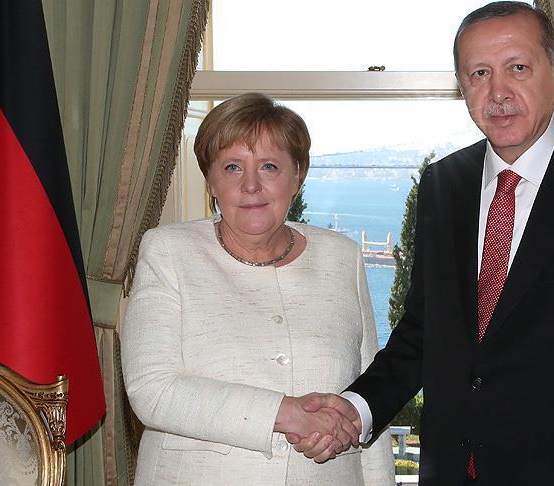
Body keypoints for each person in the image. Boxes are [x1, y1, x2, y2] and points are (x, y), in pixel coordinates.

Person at [290, 2, 554, 484]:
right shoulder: (442, 185)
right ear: (463, 86)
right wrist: (356, 409)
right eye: (479, 74)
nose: (498, 92)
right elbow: (422, 333)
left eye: (517, 68)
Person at [121, 92, 394, 485]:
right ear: (210, 180)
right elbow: (153, 390)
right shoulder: (167, 252)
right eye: (232, 167)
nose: (251, 185)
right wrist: (287, 413)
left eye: (269, 166)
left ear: (297, 175)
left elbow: (367, 392)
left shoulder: (343, 256)